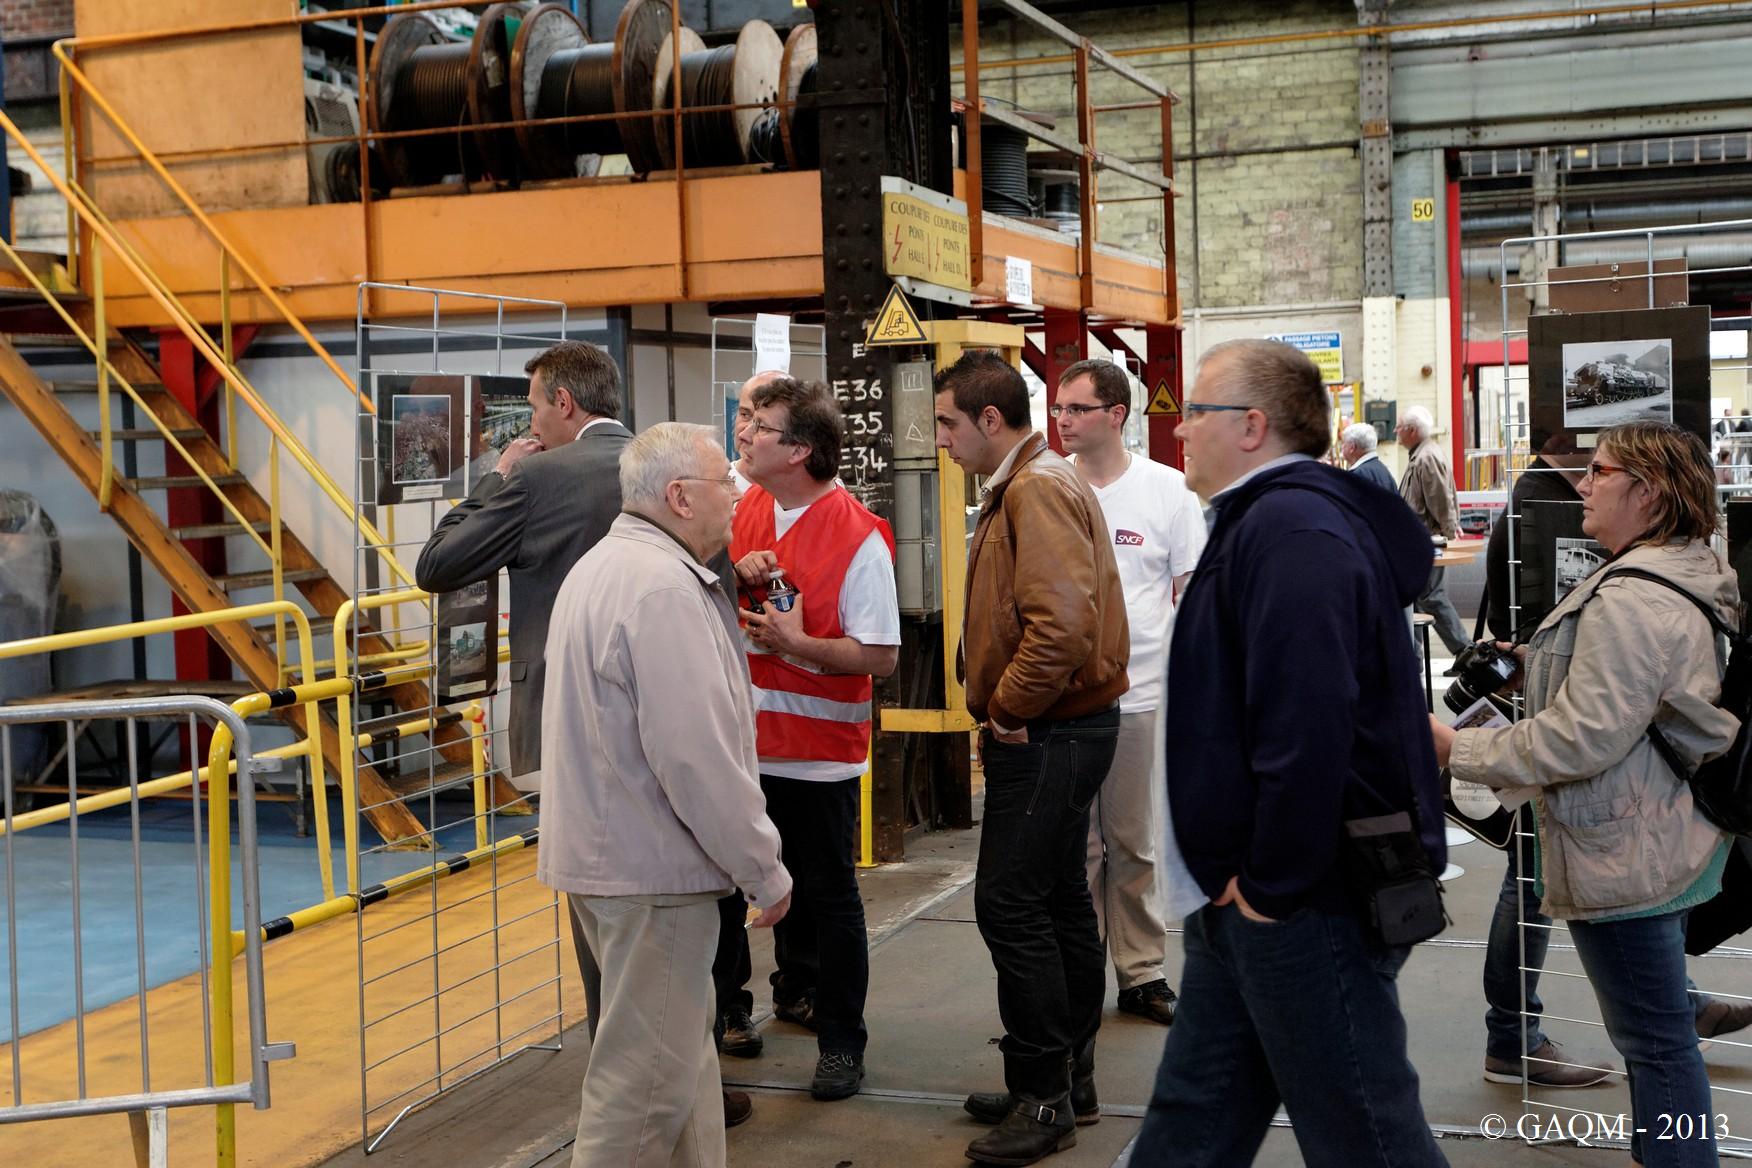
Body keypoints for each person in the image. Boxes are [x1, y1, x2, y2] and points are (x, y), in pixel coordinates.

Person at [1135, 339, 1447, 1168]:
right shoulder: (1267, 522)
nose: (1179, 430)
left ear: (1251, 426)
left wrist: (1270, 888)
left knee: (1366, 1137)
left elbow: (1307, 726)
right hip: (1247, 896)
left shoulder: (1292, 530)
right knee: (1193, 1122)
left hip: (1302, 902)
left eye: (1194, 412)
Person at [1434, 421, 1740, 1168]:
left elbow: (1581, 739)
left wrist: (1453, 749)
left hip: (1625, 850)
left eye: (1600, 471)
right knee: (1660, 1036)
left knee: (1656, 1043)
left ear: (1650, 492)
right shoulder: (1675, 572)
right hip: (1657, 831)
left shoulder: (1632, 599)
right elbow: (1633, 697)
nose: (1582, 484)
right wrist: (1540, 662)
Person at [539, 422, 792, 1168]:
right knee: (641, 1091)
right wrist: (763, 867)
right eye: (725, 483)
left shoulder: (604, 568)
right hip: (653, 874)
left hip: (614, 862)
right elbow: (695, 757)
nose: (737, 495)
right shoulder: (662, 590)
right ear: (680, 497)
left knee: (679, 1068)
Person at [934, 351, 1129, 1167]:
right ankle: (1064, 1083)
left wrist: (1008, 709)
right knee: (1054, 899)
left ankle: (1044, 1097)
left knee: (1010, 905)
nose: (939, 439)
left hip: (1048, 732)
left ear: (989, 419)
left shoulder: (1035, 488)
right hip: (1063, 729)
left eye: (947, 422)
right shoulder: (1028, 482)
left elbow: (1062, 626)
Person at [725, 376, 898, 1101]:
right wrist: (731, 571)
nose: (743, 434)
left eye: (759, 426)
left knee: (828, 899)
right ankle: (729, 1013)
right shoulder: (744, 506)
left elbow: (880, 657)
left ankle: (841, 1042)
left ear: (799, 450)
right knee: (724, 890)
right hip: (739, 748)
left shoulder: (858, 537)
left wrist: (797, 644)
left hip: (814, 758)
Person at [1049, 357, 1205, 1024]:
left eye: (1076, 408)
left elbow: (1192, 595)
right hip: (1063, 700)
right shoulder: (1048, 486)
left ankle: (1141, 972)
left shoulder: (1167, 491)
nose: (1062, 419)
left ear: (1116, 415)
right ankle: (1081, 968)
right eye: (1058, 408)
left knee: (1133, 842)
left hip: (1139, 696)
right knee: (1077, 847)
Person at [415, 340, 631, 790]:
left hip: (565, 699)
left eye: (534, 408)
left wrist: (499, 475)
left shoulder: (536, 478)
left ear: (564, 403)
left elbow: (436, 564)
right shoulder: (665, 465)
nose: (532, 423)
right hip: (647, 690)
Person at [1397, 405, 1471, 661]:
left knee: (1430, 596)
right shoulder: (1423, 454)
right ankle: (1414, 657)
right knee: (1418, 596)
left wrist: (1449, 534)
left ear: (1412, 430)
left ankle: (1465, 653)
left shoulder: (1425, 458)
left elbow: (1440, 500)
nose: (1396, 432)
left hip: (1428, 541)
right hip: (1422, 541)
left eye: (1399, 427)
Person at [1340, 420, 1396, 492]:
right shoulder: (1382, 469)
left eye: (1344, 443)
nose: (1342, 446)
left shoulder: (1359, 475)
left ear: (1352, 447)